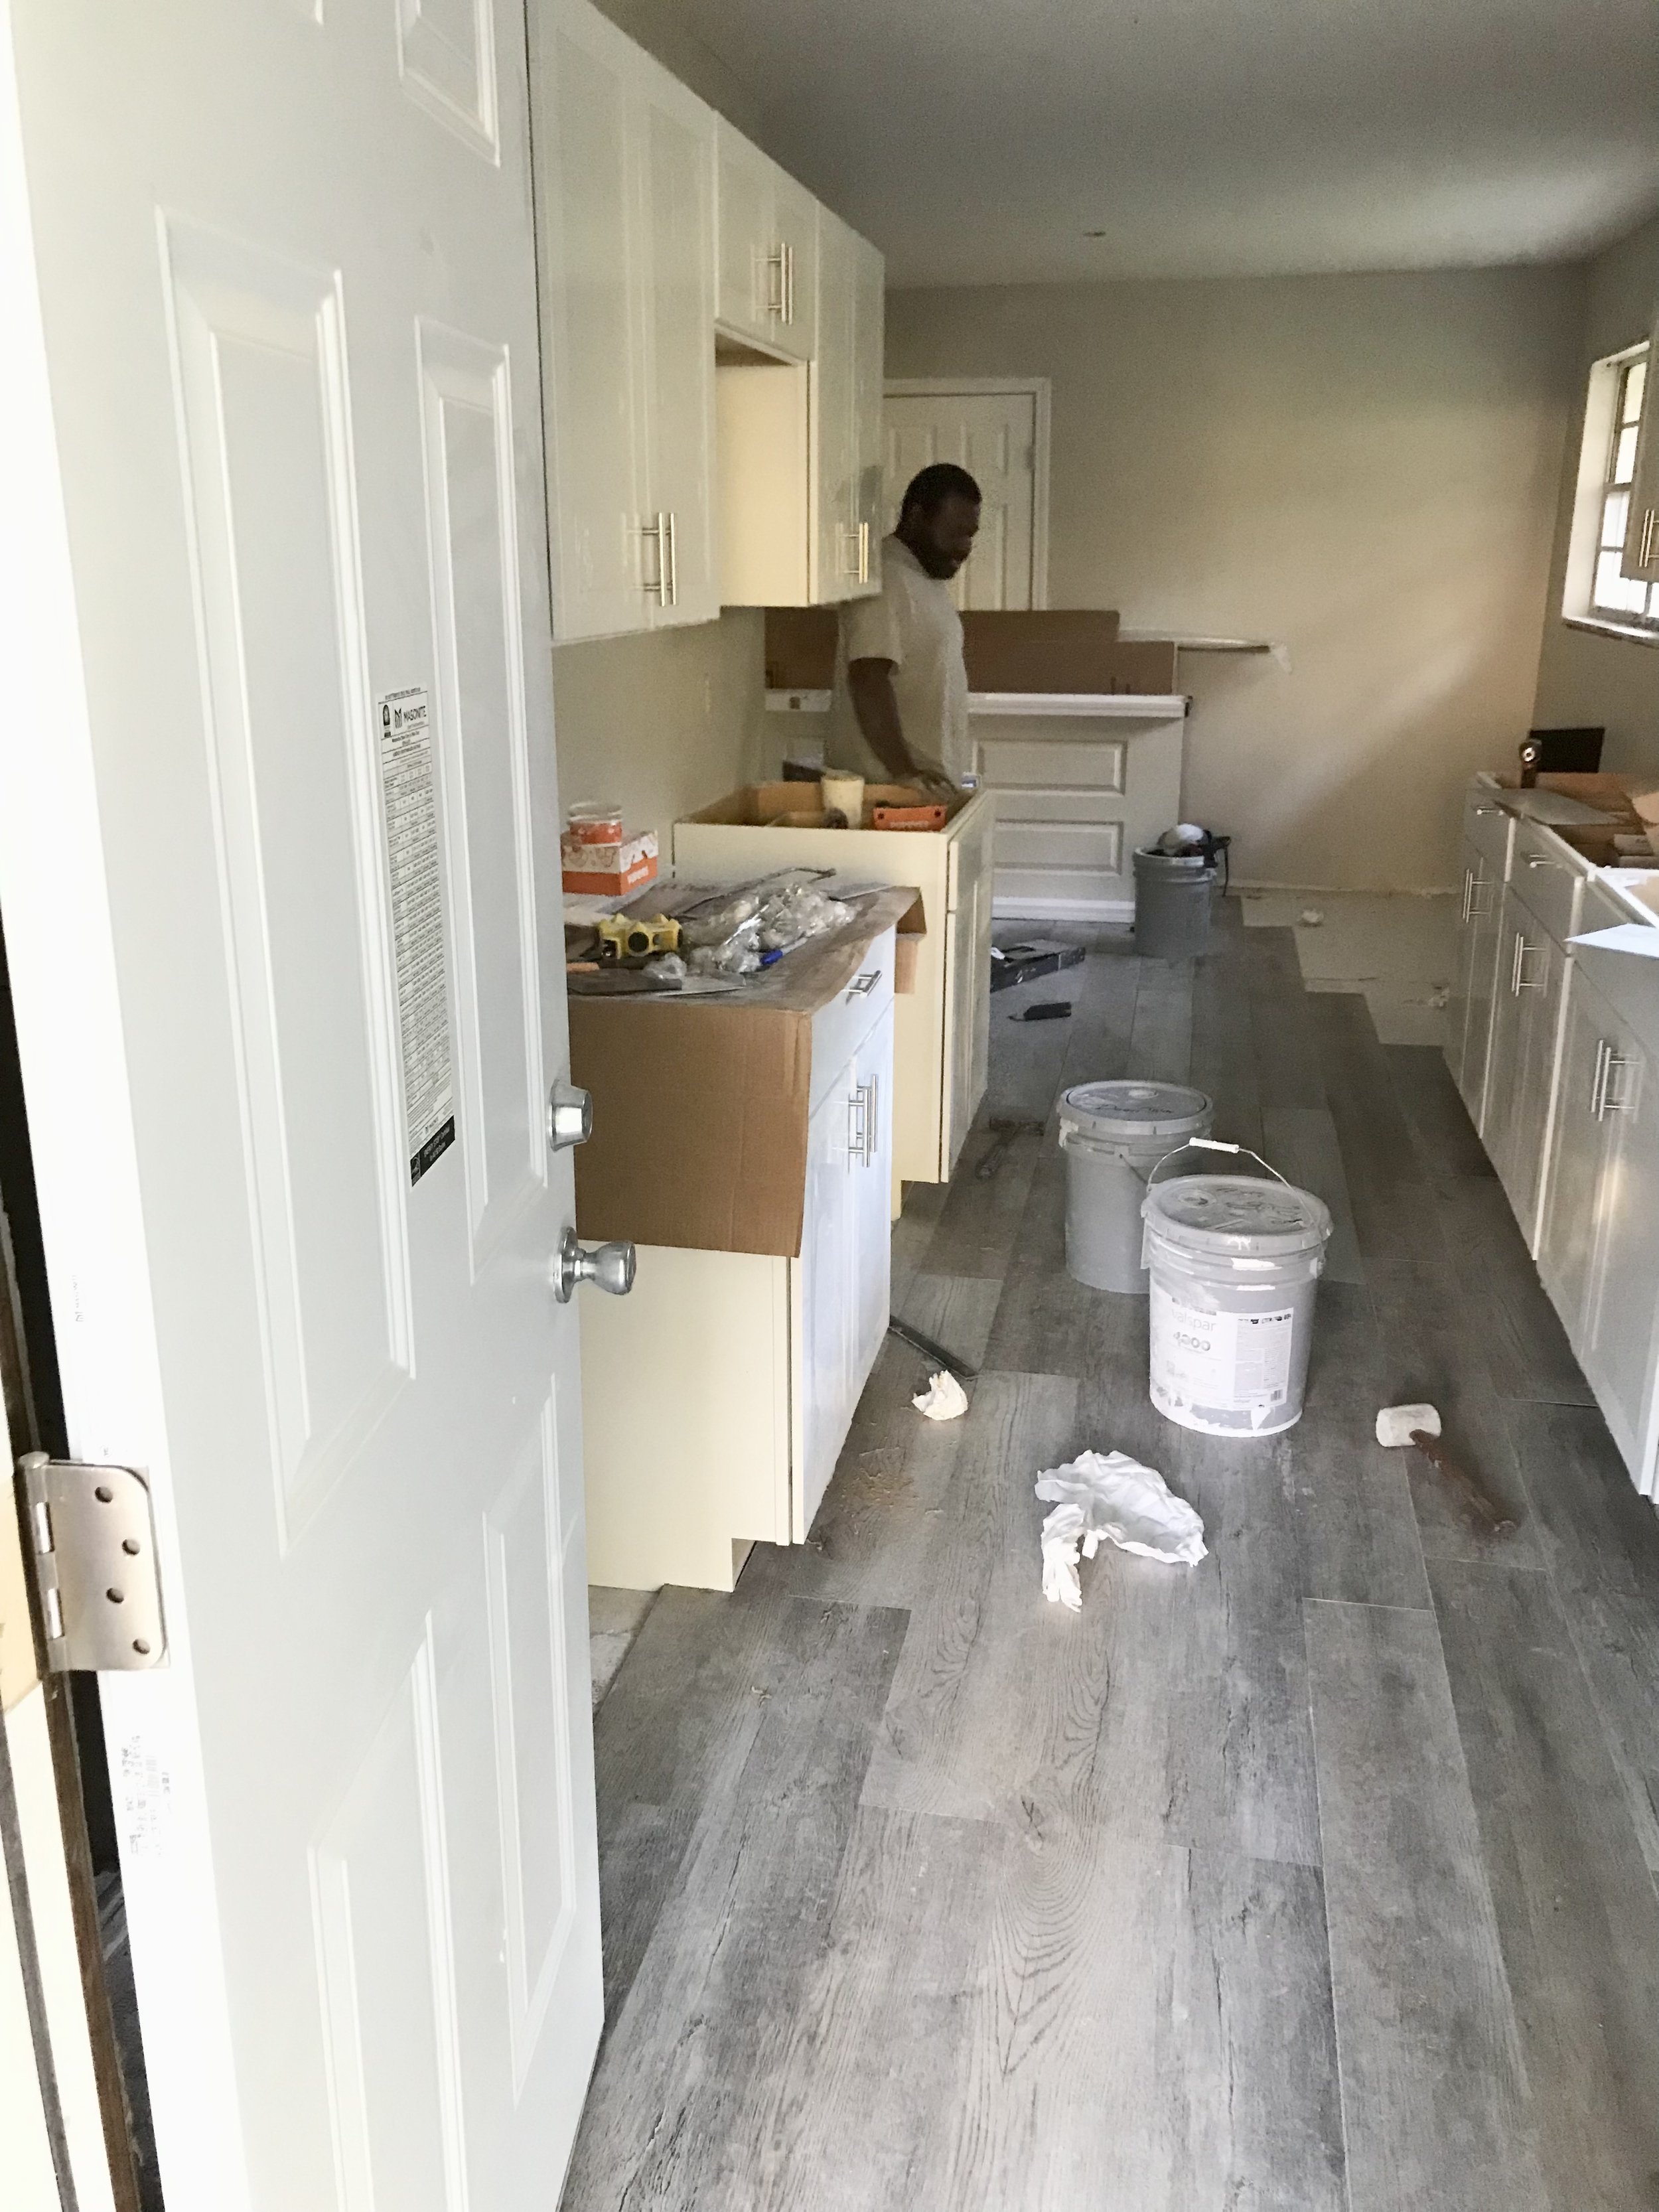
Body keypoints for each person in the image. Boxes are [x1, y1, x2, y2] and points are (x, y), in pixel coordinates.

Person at [828, 462, 981, 792]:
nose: (963, 547)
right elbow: (869, 676)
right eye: (954, 532)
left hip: (918, 791)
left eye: (970, 535)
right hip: (887, 793)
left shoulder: (923, 577)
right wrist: (905, 772)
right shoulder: (882, 577)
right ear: (916, 516)